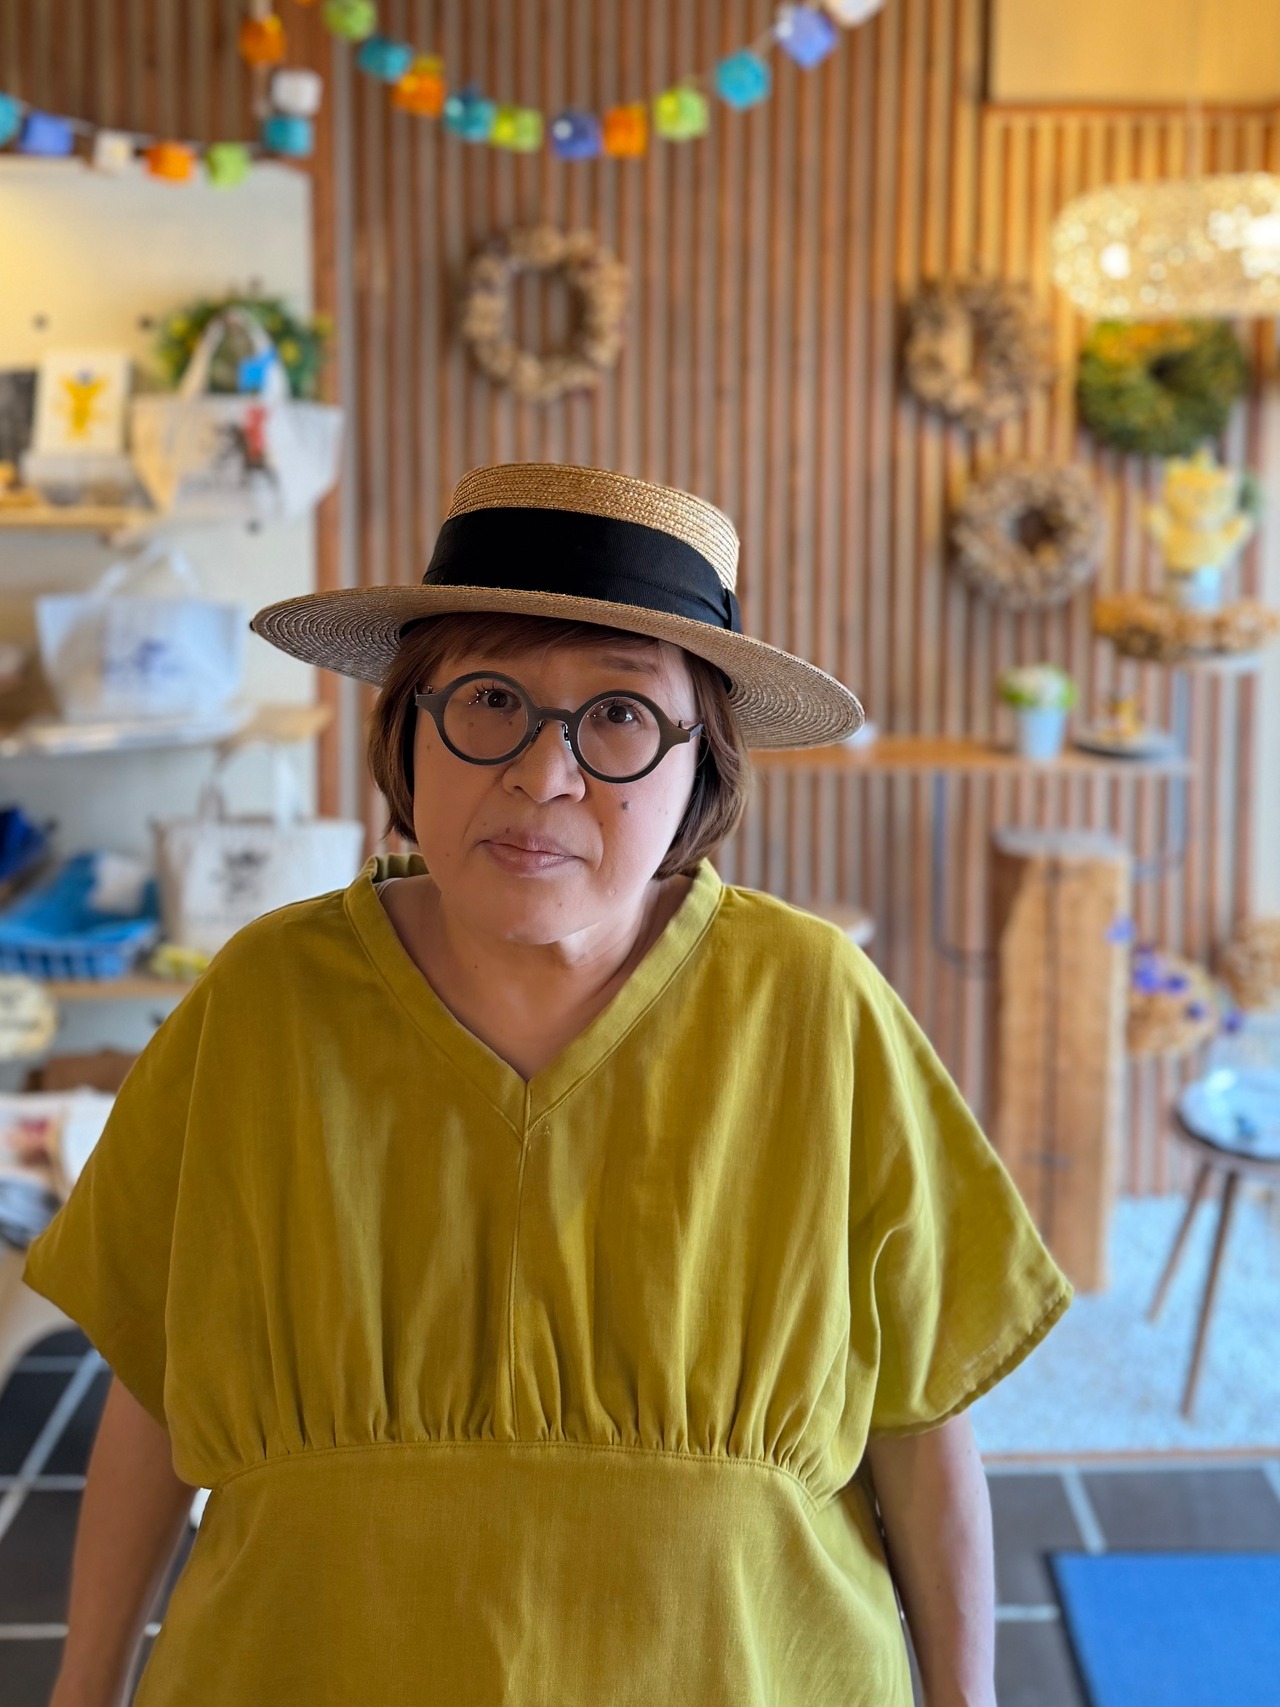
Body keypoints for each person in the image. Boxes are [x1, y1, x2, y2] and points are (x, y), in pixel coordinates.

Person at [24, 462, 1071, 1707]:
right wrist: (82, 1688)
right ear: (407, 728)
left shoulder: (815, 1004)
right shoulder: (262, 1001)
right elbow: (153, 1387)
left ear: (700, 763)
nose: (542, 775)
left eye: (618, 714)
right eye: (489, 699)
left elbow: (917, 1418)